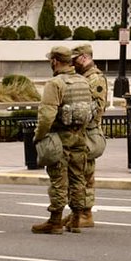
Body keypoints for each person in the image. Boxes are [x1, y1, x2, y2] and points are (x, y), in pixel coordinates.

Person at [31, 45, 93, 234]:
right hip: (79, 137)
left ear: (55, 61)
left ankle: (55, 220)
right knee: (78, 178)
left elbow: (46, 116)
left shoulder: (55, 84)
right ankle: (76, 218)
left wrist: (39, 136)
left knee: (59, 179)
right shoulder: (83, 81)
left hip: (60, 138)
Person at [72, 42, 109, 228]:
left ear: (84, 57)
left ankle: (85, 213)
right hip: (81, 131)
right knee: (78, 172)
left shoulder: (94, 79)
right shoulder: (83, 77)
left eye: (75, 59)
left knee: (86, 172)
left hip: (88, 131)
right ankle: (78, 212)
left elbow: (96, 107)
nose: (73, 63)